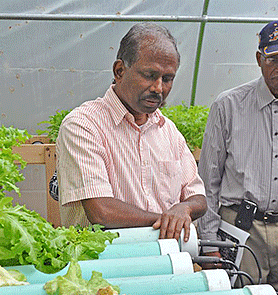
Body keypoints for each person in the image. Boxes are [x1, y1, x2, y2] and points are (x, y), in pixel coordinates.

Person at [198, 21, 278, 294]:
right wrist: (209, 242)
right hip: (241, 229)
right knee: (241, 290)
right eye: (275, 60)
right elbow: (207, 181)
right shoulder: (228, 105)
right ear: (259, 59)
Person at [56, 22, 207, 241]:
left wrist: (185, 209)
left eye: (167, 79)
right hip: (102, 263)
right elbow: (101, 211)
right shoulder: (83, 125)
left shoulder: (169, 131)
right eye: (149, 75)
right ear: (119, 71)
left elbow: (197, 197)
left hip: (166, 261)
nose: (158, 88)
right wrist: (167, 220)